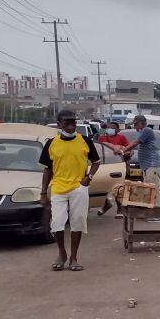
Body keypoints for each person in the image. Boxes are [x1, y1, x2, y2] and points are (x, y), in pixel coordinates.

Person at [39, 110, 100, 272]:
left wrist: (89, 178)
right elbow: (47, 170)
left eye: (73, 122)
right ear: (59, 125)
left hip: (79, 188)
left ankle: (74, 257)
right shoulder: (51, 143)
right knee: (57, 223)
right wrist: (43, 192)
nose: (71, 125)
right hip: (58, 187)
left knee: (77, 222)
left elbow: (96, 162)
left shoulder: (85, 141)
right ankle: (62, 253)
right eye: (67, 123)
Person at [121, 115, 160, 206]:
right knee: (149, 189)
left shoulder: (147, 130)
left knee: (153, 189)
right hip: (148, 166)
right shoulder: (143, 132)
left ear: (142, 123)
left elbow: (135, 143)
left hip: (152, 165)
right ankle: (151, 210)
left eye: (136, 124)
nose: (135, 126)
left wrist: (123, 150)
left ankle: (157, 213)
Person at [96, 122, 131, 218]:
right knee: (100, 185)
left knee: (118, 187)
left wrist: (125, 154)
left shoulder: (121, 138)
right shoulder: (101, 138)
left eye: (112, 127)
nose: (110, 129)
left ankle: (119, 209)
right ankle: (106, 204)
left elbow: (128, 149)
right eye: (108, 127)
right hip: (103, 165)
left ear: (117, 130)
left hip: (117, 165)